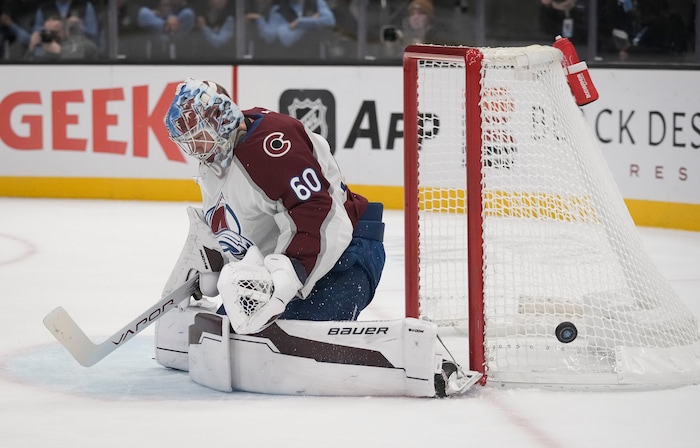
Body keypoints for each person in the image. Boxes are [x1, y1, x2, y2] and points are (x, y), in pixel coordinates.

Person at [155, 78, 479, 397]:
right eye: (186, 139)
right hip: (290, 262)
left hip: (344, 255)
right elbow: (241, 226)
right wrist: (218, 264)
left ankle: (424, 361)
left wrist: (286, 275)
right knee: (233, 335)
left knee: (281, 343)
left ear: (221, 118)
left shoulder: (271, 143)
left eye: (197, 135)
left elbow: (321, 216)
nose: (193, 147)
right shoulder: (216, 160)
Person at [246, 0, 336, 59]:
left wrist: (299, 23)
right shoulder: (278, 9)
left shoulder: (317, 3)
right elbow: (286, 39)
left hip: (317, 61)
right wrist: (311, 21)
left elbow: (329, 21)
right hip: (289, 61)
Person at [380, 0, 456, 58]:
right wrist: (391, 50)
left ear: (429, 17)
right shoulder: (404, 35)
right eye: (412, 14)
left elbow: (444, 59)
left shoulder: (440, 35)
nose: (415, 18)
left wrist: (424, 48)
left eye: (421, 13)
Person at [25, 13, 97, 60]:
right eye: (48, 31)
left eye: (55, 32)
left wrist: (60, 52)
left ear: (65, 30)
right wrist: (31, 48)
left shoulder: (78, 42)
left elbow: (91, 49)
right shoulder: (45, 46)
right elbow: (26, 69)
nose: (52, 35)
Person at [31, 0, 99, 44]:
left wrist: (79, 26)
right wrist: (46, 29)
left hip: (79, 55)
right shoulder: (44, 9)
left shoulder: (85, 6)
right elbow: (35, 38)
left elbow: (93, 35)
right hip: (51, 57)